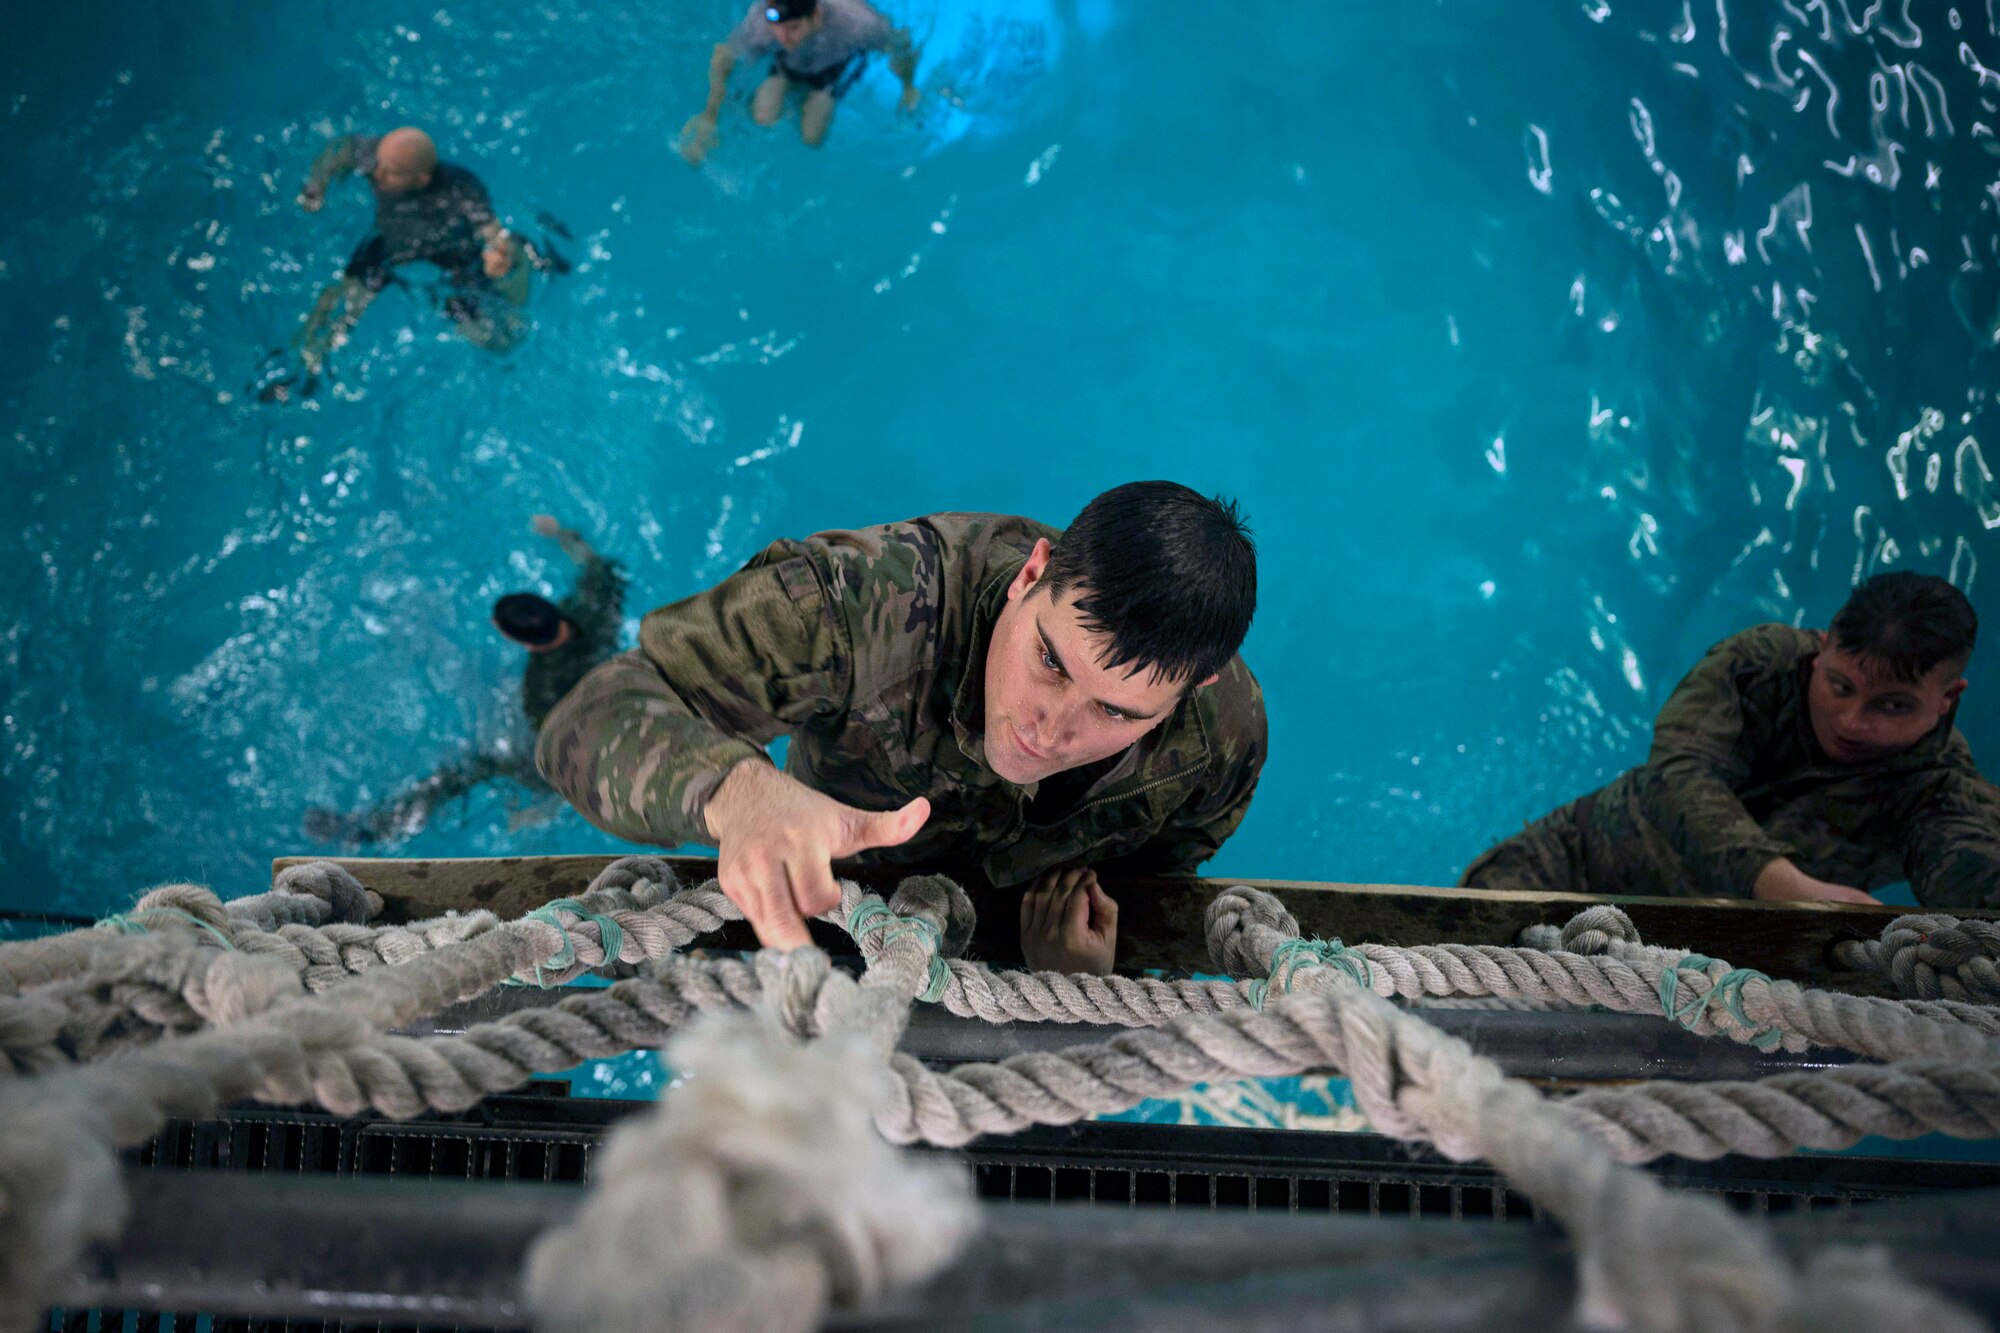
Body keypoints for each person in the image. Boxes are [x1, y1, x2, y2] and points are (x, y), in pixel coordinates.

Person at [537, 482, 1266, 974]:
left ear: (1190, 690)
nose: (1049, 728)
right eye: (1049, 659)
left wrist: (1077, 986)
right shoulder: (865, 607)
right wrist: (734, 791)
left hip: (1013, 955)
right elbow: (586, 718)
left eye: (1113, 712)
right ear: (1032, 574)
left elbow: (1154, 886)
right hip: (832, 905)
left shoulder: (1220, 739)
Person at [1462, 572, 2000, 907]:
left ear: (1947, 698)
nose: (1853, 722)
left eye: (1892, 706)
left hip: (1725, 956)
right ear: (1824, 644)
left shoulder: (1941, 789)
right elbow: (1677, 774)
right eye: (1841, 686)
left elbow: (1967, 869)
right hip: (1580, 866)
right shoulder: (1756, 667)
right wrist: (1784, 886)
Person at [306, 516, 626, 846]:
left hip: (567, 755)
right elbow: (596, 564)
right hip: (610, 696)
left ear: (526, 644)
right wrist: (559, 532)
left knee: (471, 766)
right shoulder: (597, 611)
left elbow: (563, 758)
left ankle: (370, 830)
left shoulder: (537, 691)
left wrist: (543, 809)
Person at [256, 126, 530, 403]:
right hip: (389, 247)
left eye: (390, 174)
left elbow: (494, 233)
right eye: (378, 167)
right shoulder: (384, 160)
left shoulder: (463, 190)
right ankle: (302, 370)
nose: (378, 176)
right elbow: (341, 149)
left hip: (452, 255)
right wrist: (318, 184)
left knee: (494, 336)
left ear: (423, 179)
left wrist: (501, 257)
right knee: (340, 303)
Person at [678, 0, 919, 164]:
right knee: (764, 118)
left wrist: (909, 87)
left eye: (793, 28)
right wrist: (709, 115)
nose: (783, 38)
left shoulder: (859, 22)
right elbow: (723, 56)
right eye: (777, 29)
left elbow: (900, 48)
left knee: (812, 136)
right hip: (786, 67)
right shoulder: (764, 20)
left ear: (815, 15)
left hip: (832, 70)